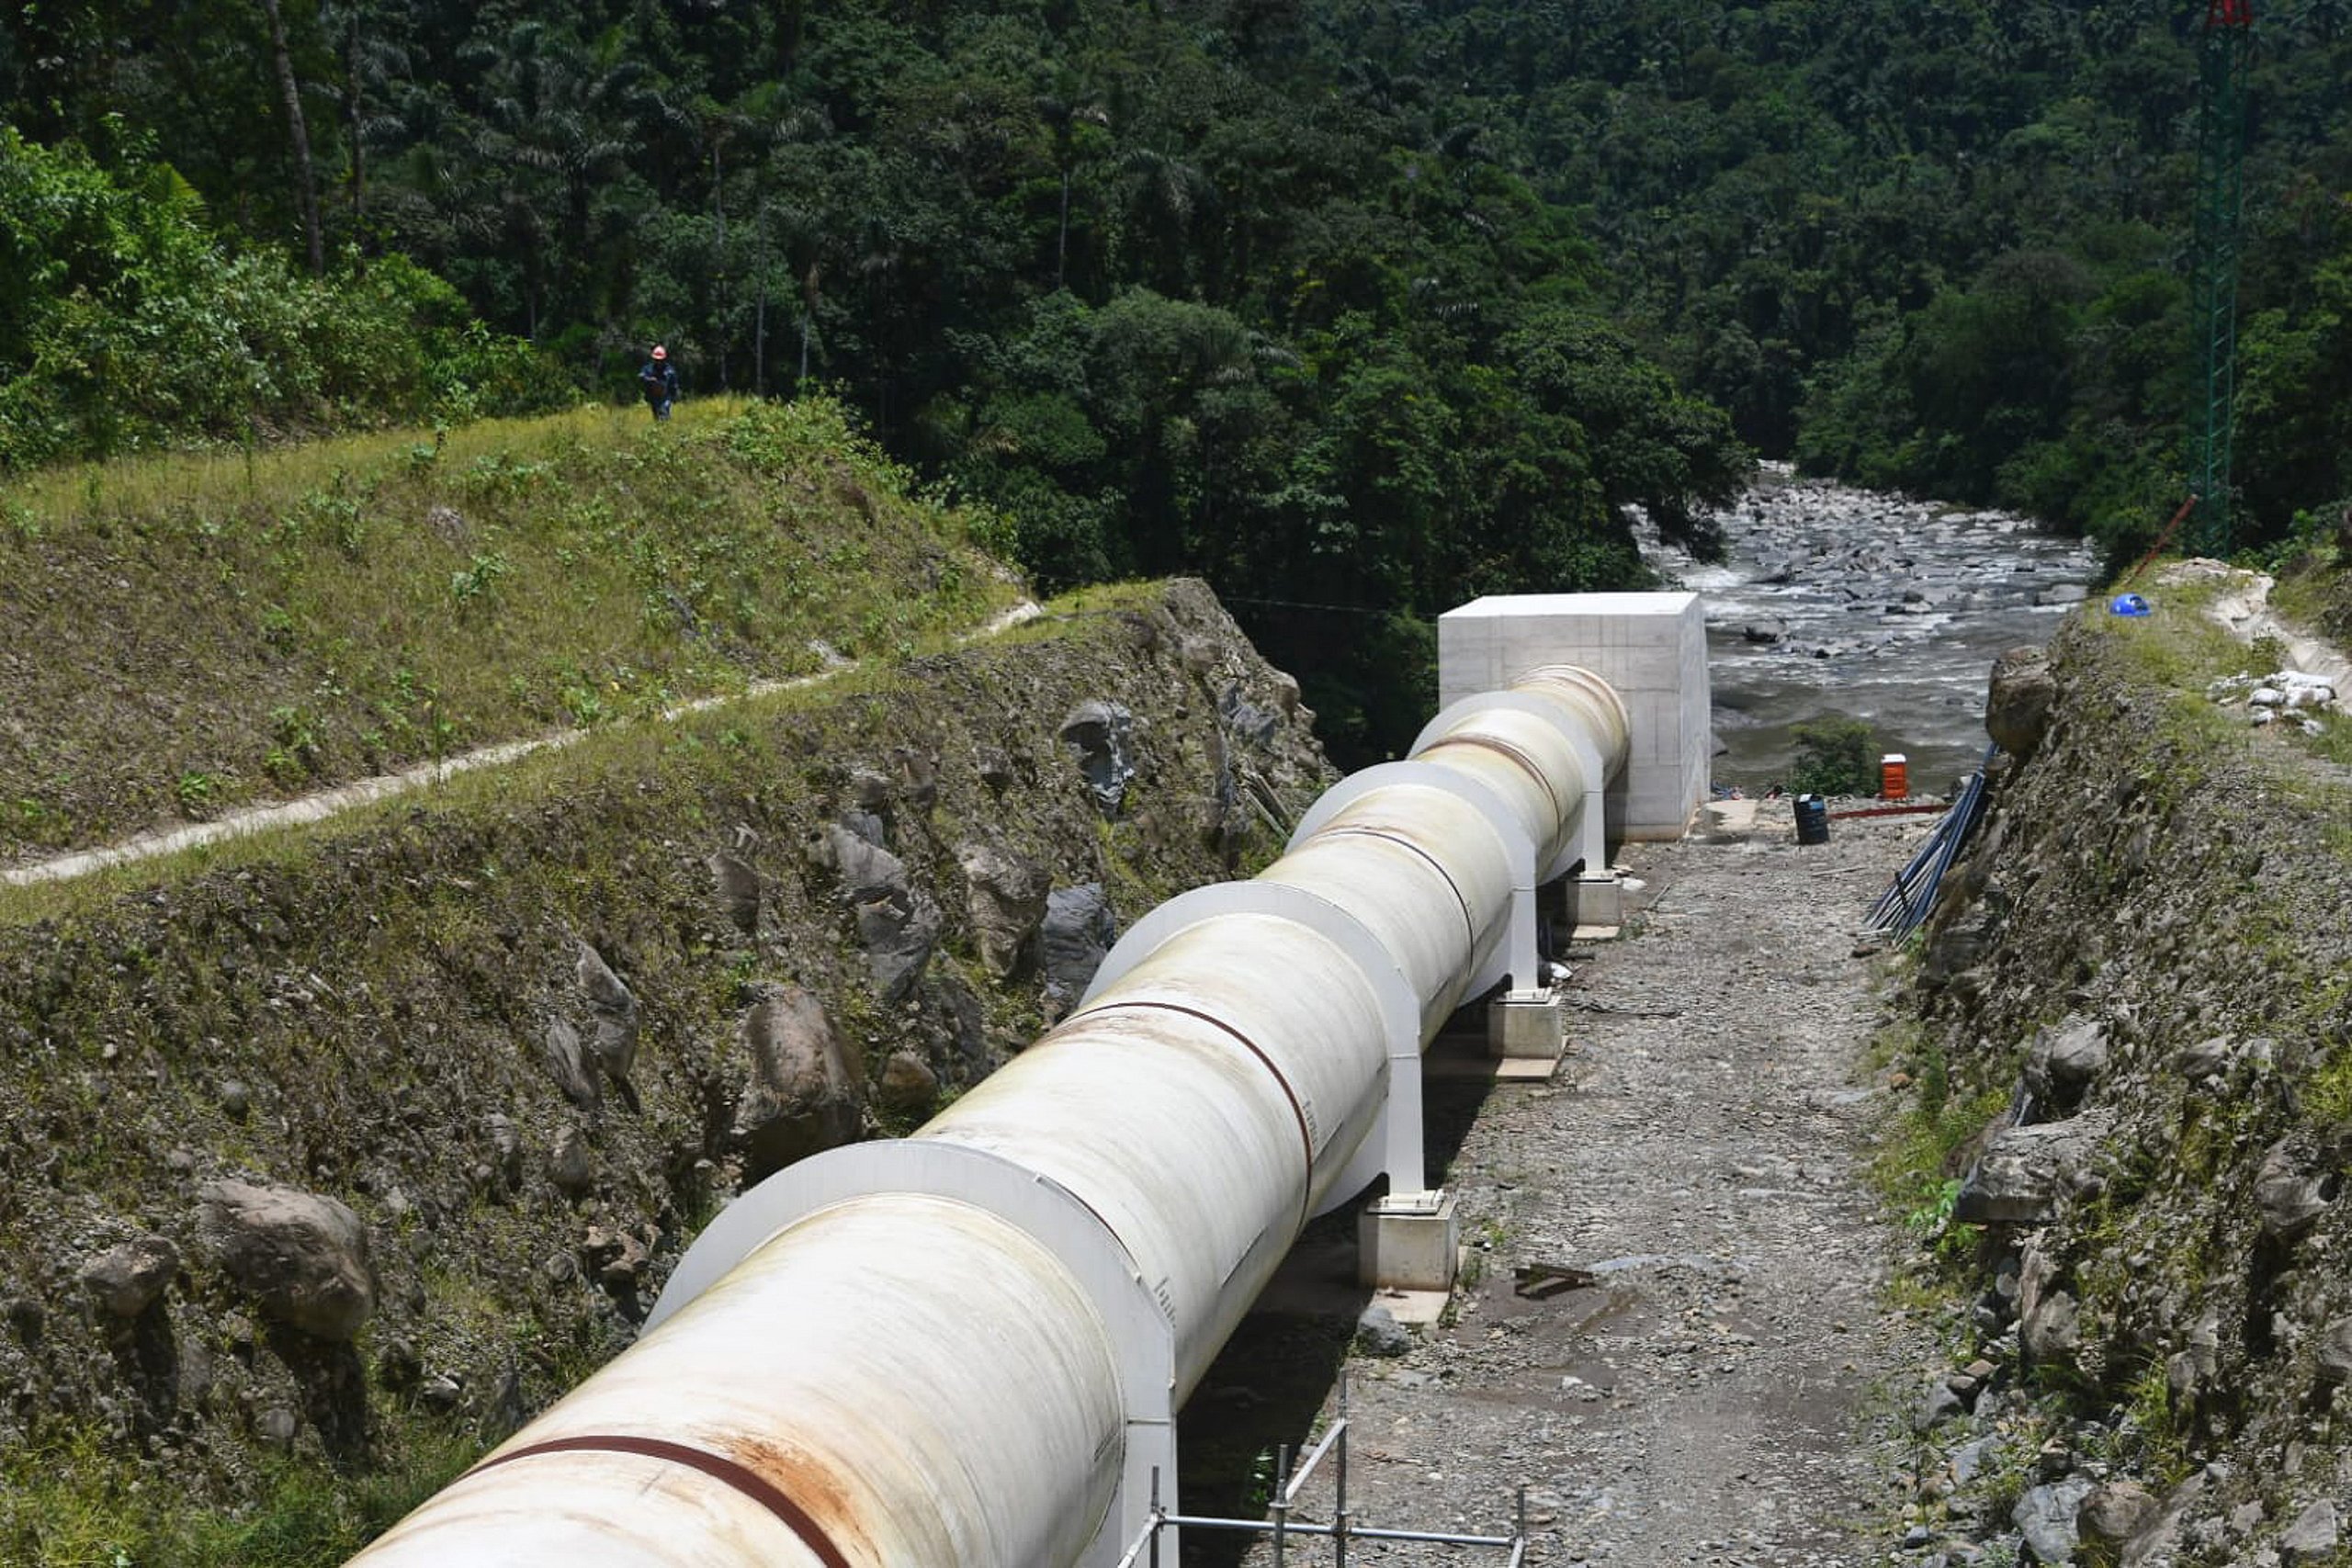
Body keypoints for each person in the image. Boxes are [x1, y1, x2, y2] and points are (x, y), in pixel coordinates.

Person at [639, 344, 679, 421]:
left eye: (660, 360)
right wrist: (649, 379)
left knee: (664, 412)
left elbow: (674, 385)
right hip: (653, 396)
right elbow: (641, 376)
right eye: (656, 360)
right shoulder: (648, 368)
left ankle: (665, 427)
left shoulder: (670, 370)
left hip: (666, 396)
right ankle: (658, 430)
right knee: (656, 415)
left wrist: (674, 396)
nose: (658, 362)